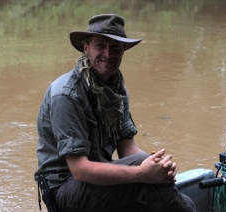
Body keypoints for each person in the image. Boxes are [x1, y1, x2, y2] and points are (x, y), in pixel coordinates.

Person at [34, 14, 196, 212]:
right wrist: (141, 174)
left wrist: (157, 166)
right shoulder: (66, 94)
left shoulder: (115, 85)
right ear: (86, 49)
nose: (108, 54)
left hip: (95, 174)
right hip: (64, 189)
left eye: (115, 48)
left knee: (163, 184)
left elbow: (127, 148)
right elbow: (79, 169)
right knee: (167, 196)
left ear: (123, 52)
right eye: (100, 46)